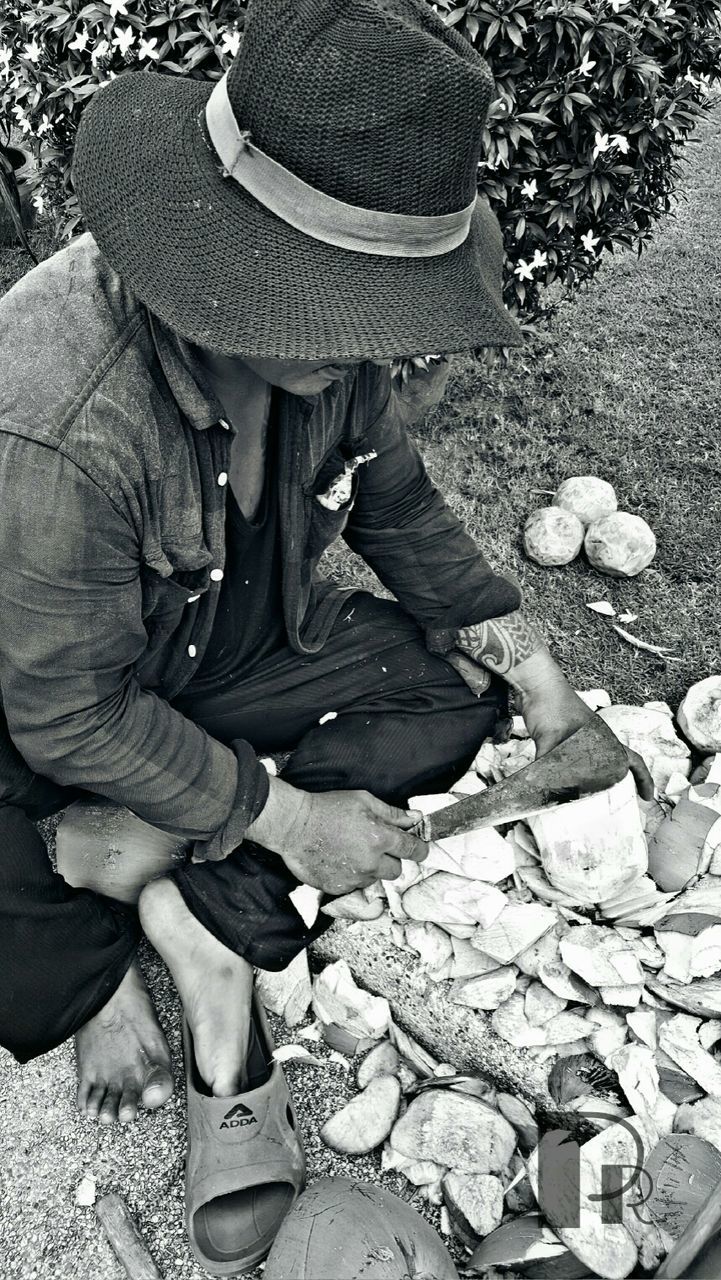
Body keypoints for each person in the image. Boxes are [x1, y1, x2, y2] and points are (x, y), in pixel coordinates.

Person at [0, 0, 651, 1131]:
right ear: (238, 257)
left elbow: (397, 505)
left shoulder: (334, 361)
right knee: (22, 893)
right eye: (343, 307)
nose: (381, 351)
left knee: (457, 692)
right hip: (46, 706)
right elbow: (63, 710)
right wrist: (289, 816)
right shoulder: (62, 418)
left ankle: (172, 890)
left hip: (224, 641)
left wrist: (548, 694)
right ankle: (99, 948)